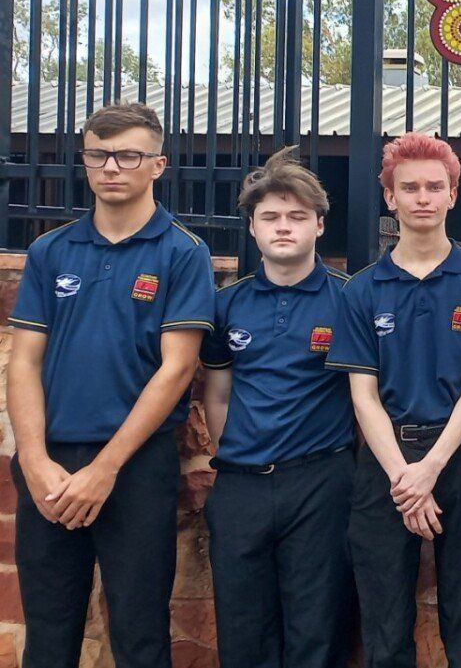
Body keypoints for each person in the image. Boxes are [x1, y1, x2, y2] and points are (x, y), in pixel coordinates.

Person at [6, 102, 215, 668]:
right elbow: (22, 363)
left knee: (139, 631)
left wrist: (105, 468)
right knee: (49, 633)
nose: (112, 167)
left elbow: (176, 371)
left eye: (128, 155)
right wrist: (32, 460)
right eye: (98, 154)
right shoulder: (51, 251)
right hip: (49, 465)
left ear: (159, 164)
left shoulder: (183, 253)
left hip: (134, 466)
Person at [327, 132, 461, 668]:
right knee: (384, 611)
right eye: (410, 188)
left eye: (435, 186)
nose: (423, 197)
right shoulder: (361, 290)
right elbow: (363, 394)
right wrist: (406, 476)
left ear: (453, 194)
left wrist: (431, 469)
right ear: (390, 197)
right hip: (386, 461)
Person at [199, 147, 355, 668]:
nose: (283, 227)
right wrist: (231, 458)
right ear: (252, 228)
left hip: (321, 481)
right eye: (270, 217)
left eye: (296, 217)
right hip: (240, 483)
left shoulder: (350, 301)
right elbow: (216, 393)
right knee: (243, 628)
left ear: (319, 225)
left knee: (318, 626)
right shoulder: (227, 305)